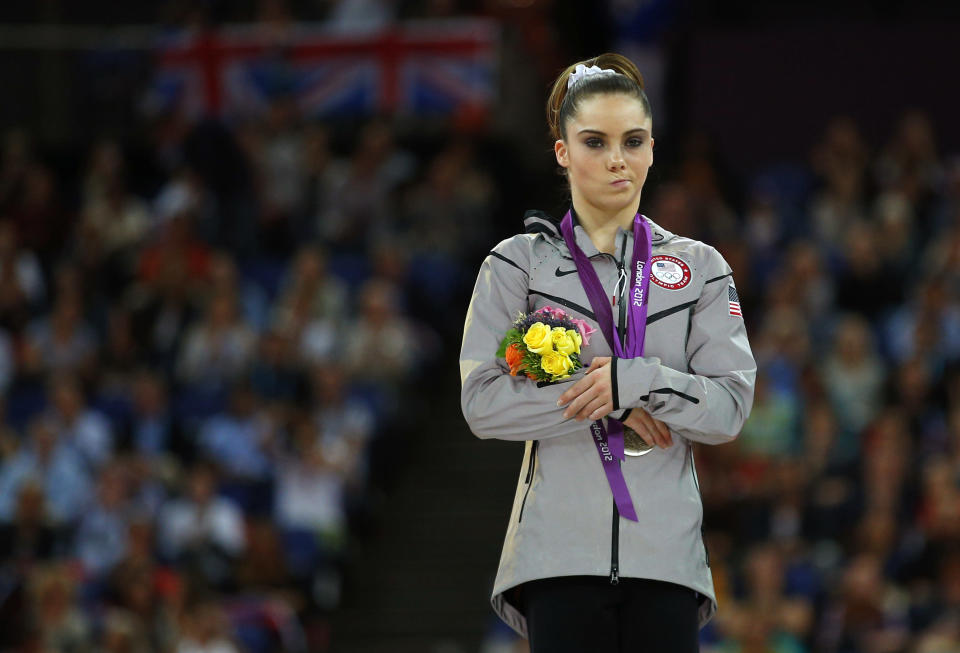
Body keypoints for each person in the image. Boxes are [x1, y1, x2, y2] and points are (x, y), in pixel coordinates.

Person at [459, 53, 757, 652]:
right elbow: (482, 403)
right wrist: (607, 401)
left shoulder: (700, 268)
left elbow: (730, 408)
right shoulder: (516, 264)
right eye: (594, 141)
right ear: (562, 151)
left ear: (652, 149)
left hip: (666, 557)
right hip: (556, 556)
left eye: (633, 140)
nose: (617, 159)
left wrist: (639, 381)